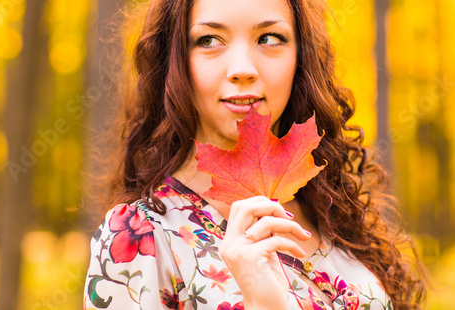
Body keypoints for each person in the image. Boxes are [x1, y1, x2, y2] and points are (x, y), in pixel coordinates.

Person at [83, 0, 426, 309]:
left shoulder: (330, 206)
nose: (243, 68)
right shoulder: (139, 239)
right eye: (209, 40)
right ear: (174, 61)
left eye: (269, 38)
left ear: (300, 56)